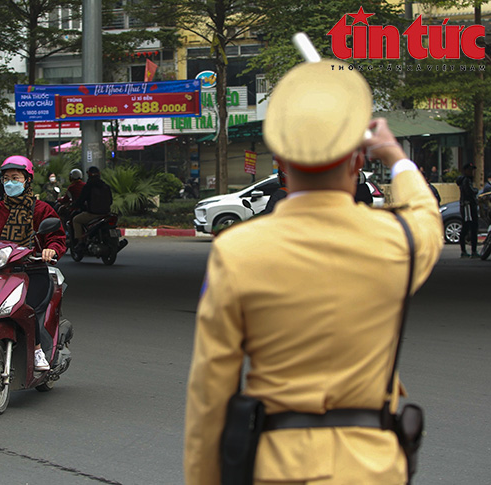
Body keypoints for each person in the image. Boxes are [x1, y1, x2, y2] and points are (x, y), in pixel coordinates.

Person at [184, 60, 443, 485]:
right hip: (373, 470)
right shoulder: (400, 242)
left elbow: (211, 395)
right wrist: (395, 156)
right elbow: (426, 214)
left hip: (277, 468)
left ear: (281, 161)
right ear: (359, 158)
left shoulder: (237, 252)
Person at [0, 155, 66, 371]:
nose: (10, 183)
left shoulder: (42, 209)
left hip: (32, 271)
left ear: (27, 180)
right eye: (6, 179)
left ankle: (36, 351)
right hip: (1, 272)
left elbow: (56, 237)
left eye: (15, 178)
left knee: (27, 307)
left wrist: (50, 249)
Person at [72, 166, 113, 250]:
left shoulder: (88, 186)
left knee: (76, 220)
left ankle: (80, 242)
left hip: (93, 214)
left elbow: (81, 200)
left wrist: (74, 206)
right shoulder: (105, 186)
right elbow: (111, 201)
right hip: (106, 213)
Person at [456, 162, 479, 258]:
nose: (472, 172)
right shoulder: (466, 181)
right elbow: (470, 192)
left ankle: (466, 250)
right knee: (471, 228)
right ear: (465, 171)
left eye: (472, 170)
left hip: (467, 206)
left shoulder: (465, 180)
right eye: (470, 170)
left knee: (467, 228)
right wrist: (475, 190)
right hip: (468, 207)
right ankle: (471, 251)